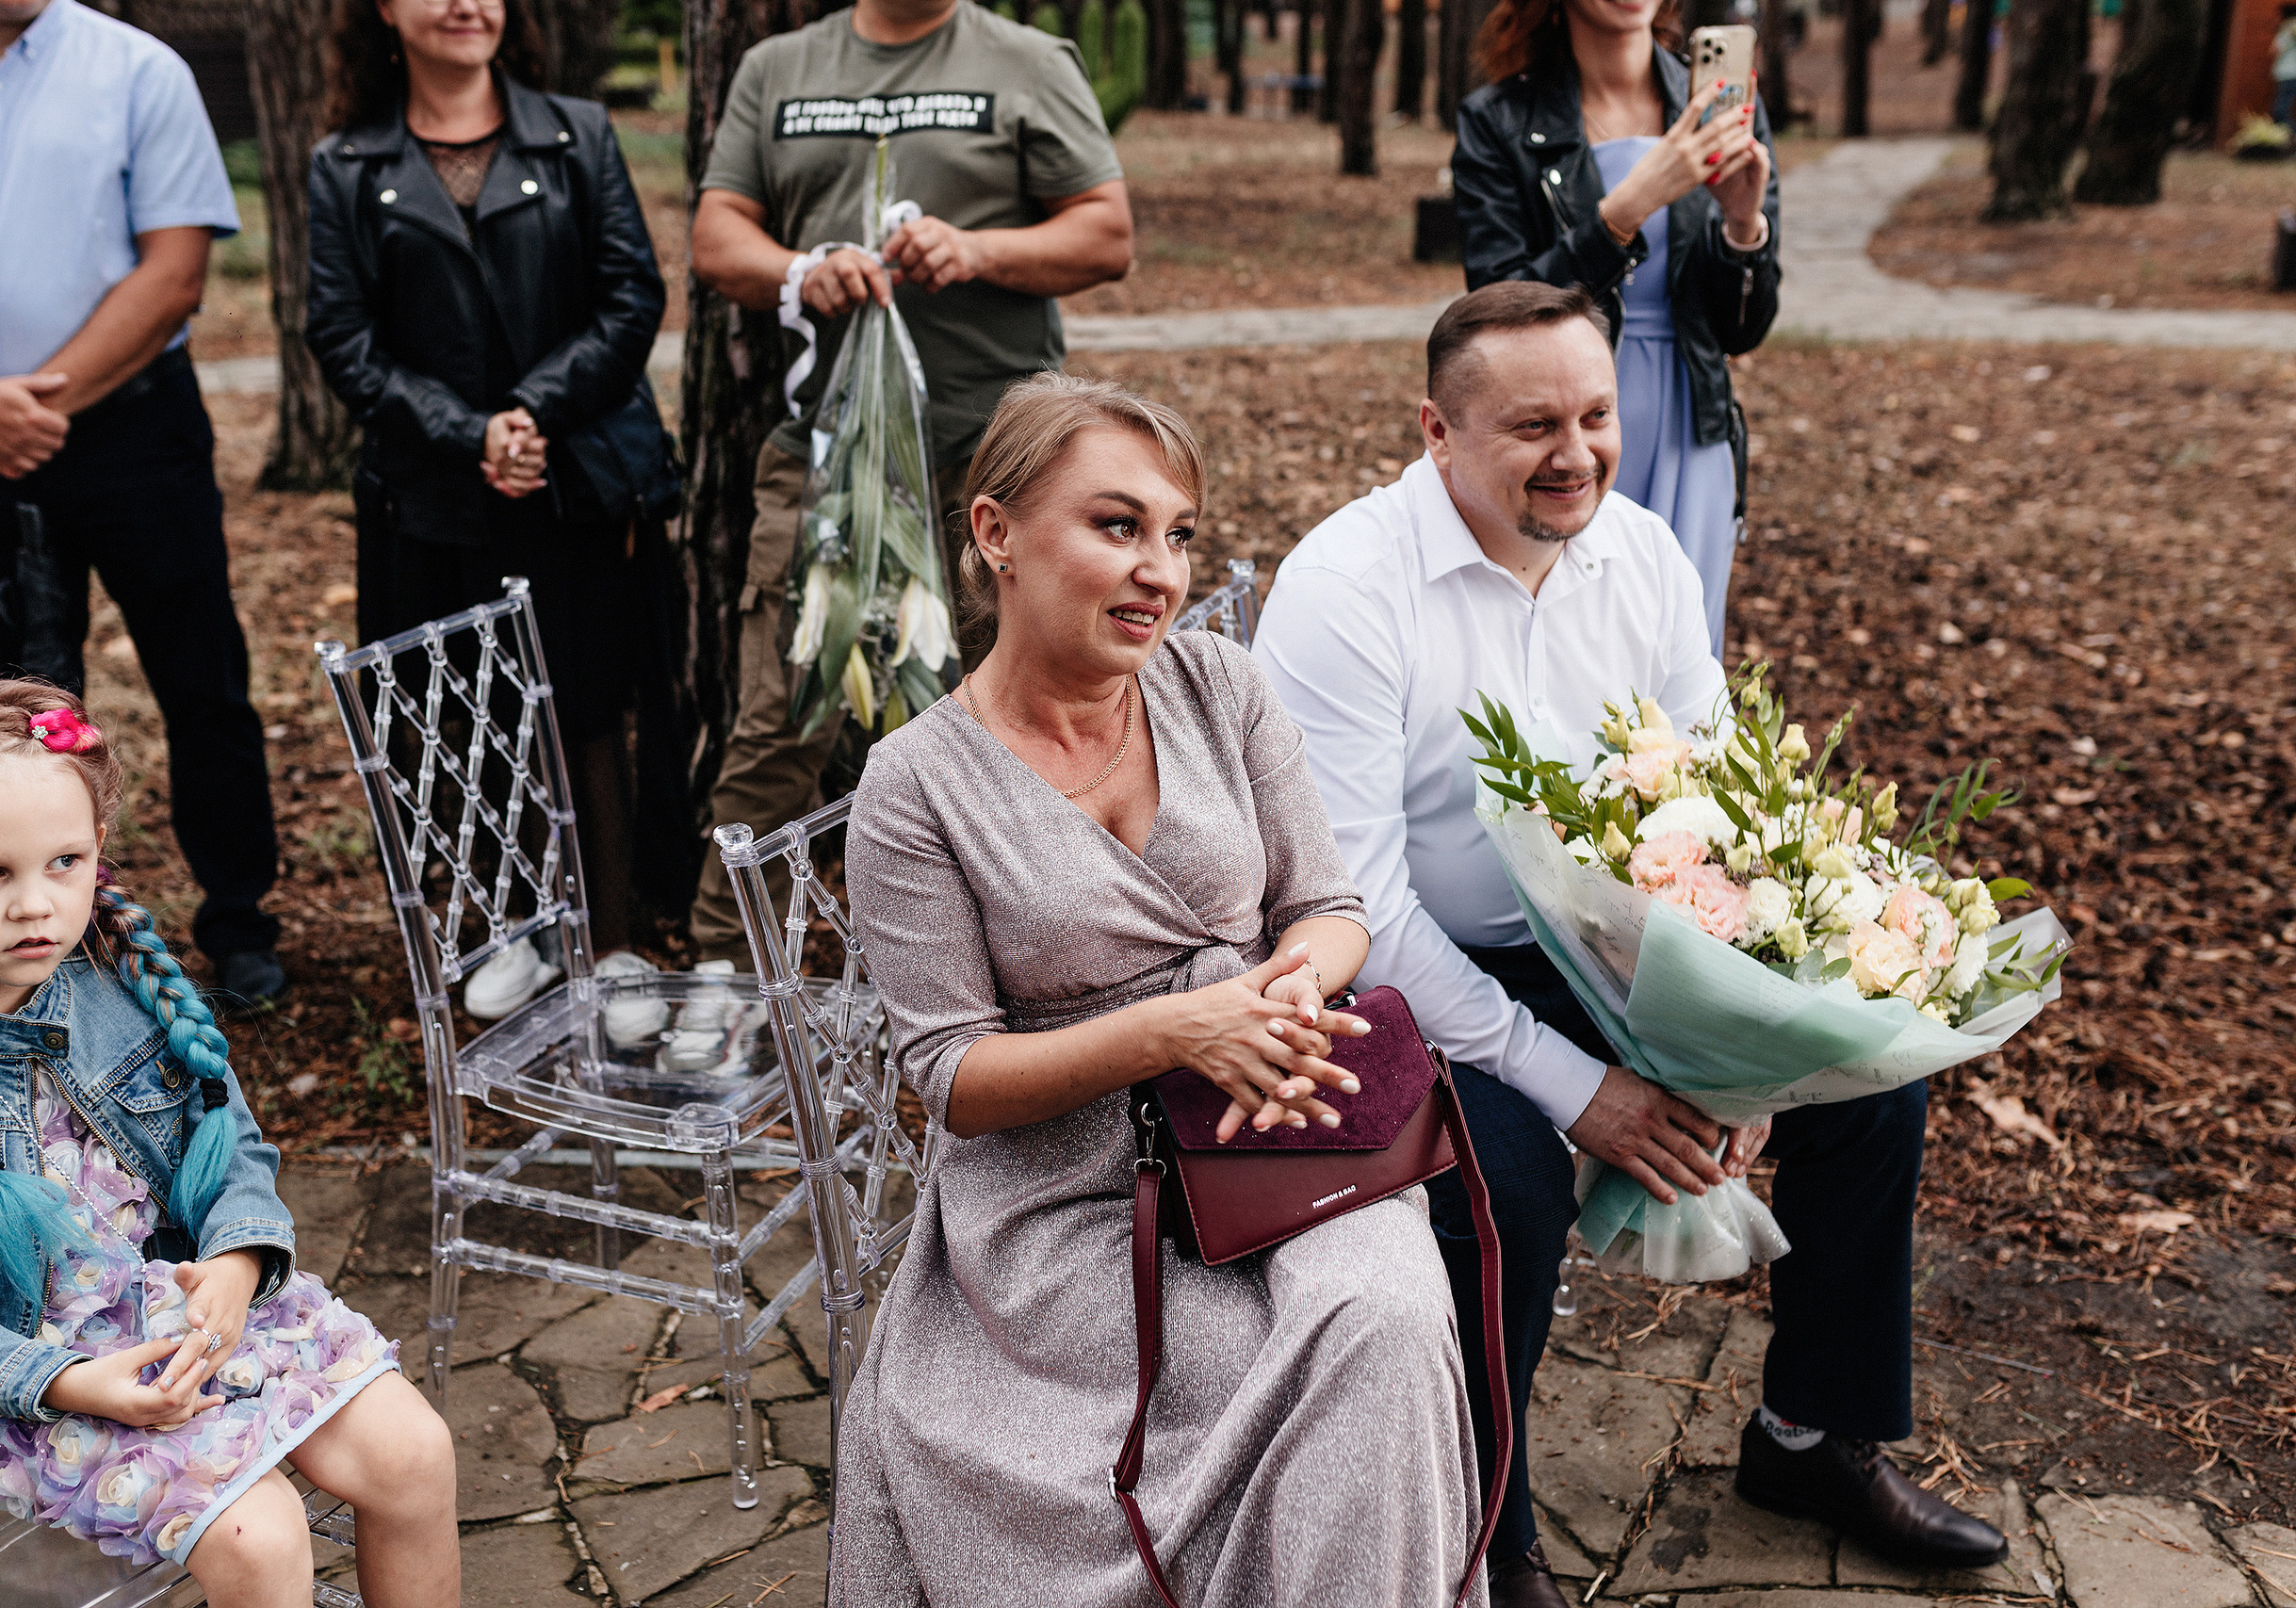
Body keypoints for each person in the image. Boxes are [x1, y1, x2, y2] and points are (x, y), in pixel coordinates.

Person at [1252, 284, 2009, 1608]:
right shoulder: (1346, 586)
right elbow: (1361, 910)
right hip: (1392, 972)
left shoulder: (1645, 551)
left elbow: (1718, 800)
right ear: (1436, 430)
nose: (1578, 452)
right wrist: (1584, 1091)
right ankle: (1487, 1528)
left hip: (1602, 942)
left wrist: (1759, 1042)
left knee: (1872, 1085)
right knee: (1509, 1186)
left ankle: (1812, 1438)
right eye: (1532, 424)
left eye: (1597, 414)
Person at [830, 374, 1485, 1606]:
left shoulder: (1219, 686)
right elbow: (954, 1076)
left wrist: (1285, 994)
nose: (1161, 571)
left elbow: (1330, 910)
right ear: (996, 533)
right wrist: (1177, 1027)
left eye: (1178, 534)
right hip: (1063, 1193)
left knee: (1388, 1323)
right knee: (1241, 1367)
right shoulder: (913, 787)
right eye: (1118, 525)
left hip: (1273, 1126)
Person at [0, 677, 457, 1605]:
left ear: (98, 851)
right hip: (28, 1370)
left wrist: (234, 1266)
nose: (37, 906)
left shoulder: (125, 995)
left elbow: (229, 1153)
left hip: (186, 1309)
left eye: (63, 862)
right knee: (259, 1539)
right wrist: (72, 1381)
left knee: (414, 1454)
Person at [683, 0, 1134, 1029]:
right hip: (829, 461)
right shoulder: (779, 67)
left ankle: (1035, 966)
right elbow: (718, 239)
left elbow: (1106, 234)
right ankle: (722, 968)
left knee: (1010, 711)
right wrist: (799, 270)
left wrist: (976, 253)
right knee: (778, 714)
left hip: (1003, 463)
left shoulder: (1024, 62)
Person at [0, 0, 287, 1005]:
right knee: (11, 705)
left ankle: (238, 924)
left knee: (199, 677)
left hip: (133, 433)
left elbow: (175, 271)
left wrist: (37, 402)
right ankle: (50, 932)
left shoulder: (141, 71)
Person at [306, 0, 677, 1042]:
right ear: (384, 12)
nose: (466, 3)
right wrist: (467, 433)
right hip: (428, 494)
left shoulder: (576, 134)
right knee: (455, 708)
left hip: (568, 479)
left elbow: (630, 297)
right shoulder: (346, 163)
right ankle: (508, 923)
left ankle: (608, 940)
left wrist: (531, 416)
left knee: (587, 703)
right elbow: (341, 336)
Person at [1450, 0, 1779, 658]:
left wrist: (1743, 228)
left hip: (1691, 427)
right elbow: (1492, 313)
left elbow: (1740, 330)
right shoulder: (1499, 121)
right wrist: (1623, 212)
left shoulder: (1720, 102)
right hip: (1561, 428)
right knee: (1563, 648)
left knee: (1678, 656)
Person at [2275, 1, 2296, 130]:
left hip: (2287, 73)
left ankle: (2289, 136)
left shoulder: (2288, 28)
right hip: (2293, 73)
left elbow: (2275, 49)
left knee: (2280, 111)